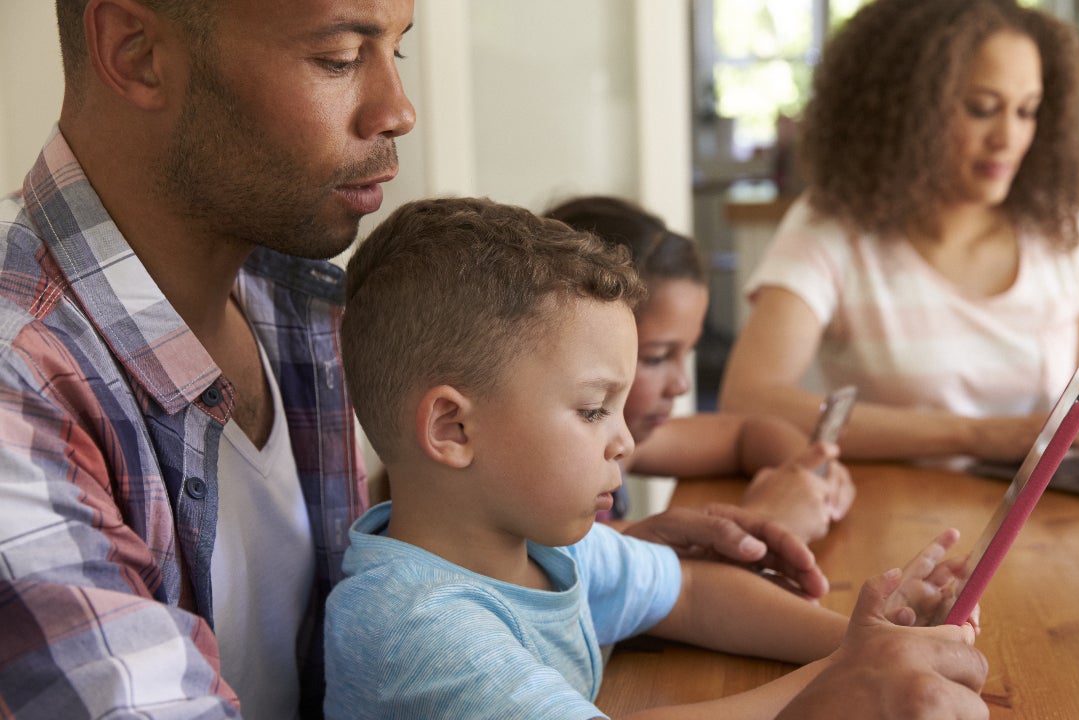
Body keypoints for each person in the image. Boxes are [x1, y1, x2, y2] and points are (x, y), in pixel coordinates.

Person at [0, 1, 829, 715]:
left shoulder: (298, 302)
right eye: (338, 56)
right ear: (136, 53)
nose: (399, 109)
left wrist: (546, 568)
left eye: (395, 50)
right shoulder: (20, 393)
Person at [326, 196, 989, 719]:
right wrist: (848, 679)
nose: (625, 442)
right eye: (592, 410)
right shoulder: (413, 627)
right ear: (453, 429)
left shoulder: (539, 547)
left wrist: (864, 641)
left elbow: (692, 591)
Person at [718, 0, 1079, 468]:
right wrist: (976, 435)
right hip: (899, 521)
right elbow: (749, 400)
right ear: (905, 109)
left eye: (1027, 111)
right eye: (982, 108)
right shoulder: (833, 229)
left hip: (1047, 522)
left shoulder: (1061, 229)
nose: (1008, 138)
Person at [546, 195, 855, 544]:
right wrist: (759, 522)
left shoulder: (625, 442)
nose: (681, 385)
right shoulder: (555, 483)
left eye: (687, 353)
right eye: (657, 357)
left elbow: (745, 436)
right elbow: (614, 560)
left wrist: (805, 470)